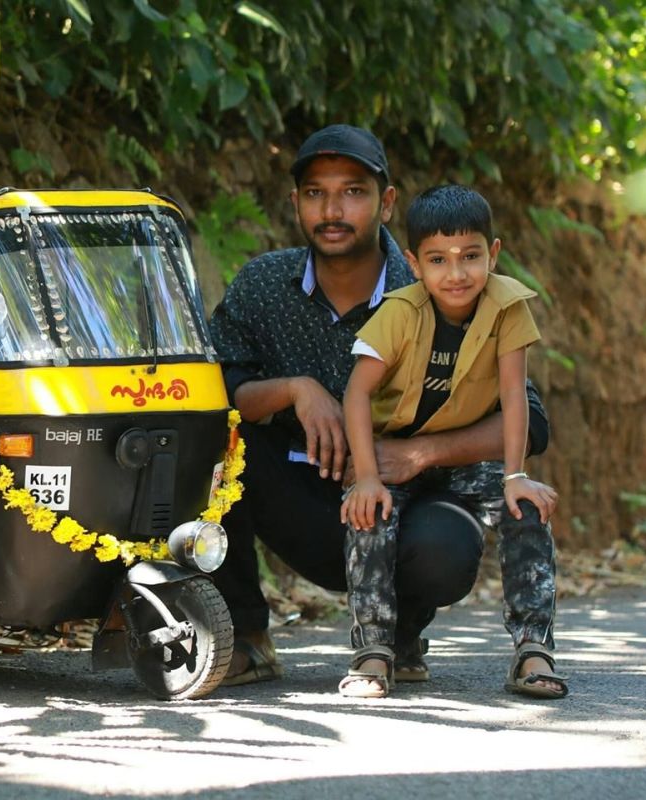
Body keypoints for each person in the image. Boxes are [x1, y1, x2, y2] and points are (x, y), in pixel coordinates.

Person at [208, 124, 560, 693]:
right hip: (305, 500)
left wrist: (418, 453)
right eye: (316, 193)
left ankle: (400, 634)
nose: (333, 209)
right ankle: (246, 635)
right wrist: (295, 390)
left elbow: (531, 419)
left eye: (353, 191)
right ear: (296, 203)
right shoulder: (263, 284)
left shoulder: (433, 278)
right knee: (210, 441)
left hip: (409, 507)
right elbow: (218, 387)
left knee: (444, 547)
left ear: (387, 202)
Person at [338, 185, 566, 699]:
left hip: (465, 459)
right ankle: (375, 650)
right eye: (438, 260)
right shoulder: (399, 312)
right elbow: (357, 392)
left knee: (525, 508)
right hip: (394, 451)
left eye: (470, 257)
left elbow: (514, 395)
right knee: (368, 512)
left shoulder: (508, 308)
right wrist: (368, 476)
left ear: (494, 254)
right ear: (415, 264)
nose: (456, 273)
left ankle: (533, 650)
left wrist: (513, 477)